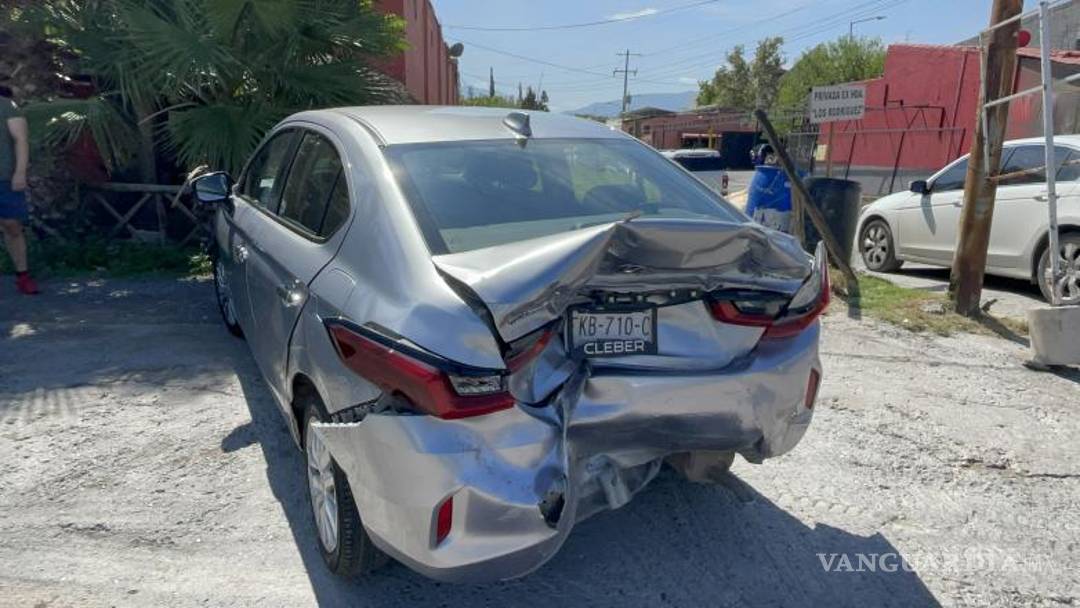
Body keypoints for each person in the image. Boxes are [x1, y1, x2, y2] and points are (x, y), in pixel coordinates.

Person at [0, 91, 37, 295]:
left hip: (4, 178)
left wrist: (20, 172)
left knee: (12, 225)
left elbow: (21, 140)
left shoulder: (7, 106)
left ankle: (23, 276)